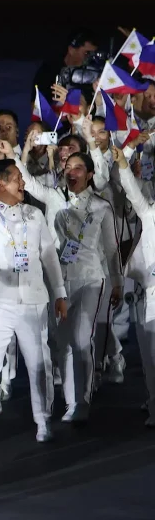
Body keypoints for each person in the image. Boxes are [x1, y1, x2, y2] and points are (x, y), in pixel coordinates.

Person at [0, 136, 122, 424]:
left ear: (90, 174)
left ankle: (84, 400)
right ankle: (71, 402)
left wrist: (117, 281)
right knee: (63, 342)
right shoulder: (54, 197)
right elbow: (29, 183)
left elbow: (111, 247)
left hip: (90, 278)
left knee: (81, 339)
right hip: (57, 280)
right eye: (68, 166)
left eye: (78, 167)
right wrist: (16, 154)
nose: (71, 170)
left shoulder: (101, 207)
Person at [0, 159, 68, 446]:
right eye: (17, 179)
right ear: (0, 183)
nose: (23, 184)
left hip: (34, 300)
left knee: (40, 364)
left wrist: (59, 293)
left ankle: (43, 421)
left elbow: (48, 255)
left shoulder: (34, 215)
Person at [112, 146, 155, 427]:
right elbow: (132, 193)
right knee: (150, 356)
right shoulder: (150, 214)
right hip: (150, 293)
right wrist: (124, 164)